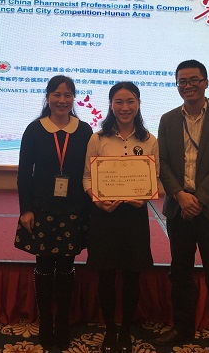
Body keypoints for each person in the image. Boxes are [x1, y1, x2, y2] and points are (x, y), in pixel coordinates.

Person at [155, 59, 209, 353]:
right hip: (179, 208)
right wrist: (180, 195)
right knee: (180, 273)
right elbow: (162, 162)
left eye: (194, 80)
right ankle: (183, 329)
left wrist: (199, 198)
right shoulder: (167, 119)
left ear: (205, 82)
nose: (188, 85)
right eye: (182, 81)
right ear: (177, 85)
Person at [14, 75, 93, 350]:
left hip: (74, 209)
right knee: (45, 266)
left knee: (67, 267)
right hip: (42, 209)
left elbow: (90, 170)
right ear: (47, 97)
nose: (62, 100)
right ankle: (46, 322)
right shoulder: (34, 129)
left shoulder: (84, 130)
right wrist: (25, 210)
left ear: (74, 98)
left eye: (67, 95)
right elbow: (24, 173)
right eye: (56, 94)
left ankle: (63, 322)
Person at [82, 81, 159, 353]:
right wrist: (96, 198)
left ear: (138, 104)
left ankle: (125, 329)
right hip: (104, 216)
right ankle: (110, 331)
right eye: (119, 102)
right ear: (111, 105)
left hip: (134, 217)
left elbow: (155, 178)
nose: (125, 107)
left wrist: (145, 196)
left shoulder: (149, 140)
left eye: (130, 101)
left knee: (132, 276)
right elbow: (87, 177)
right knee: (105, 276)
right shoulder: (98, 139)